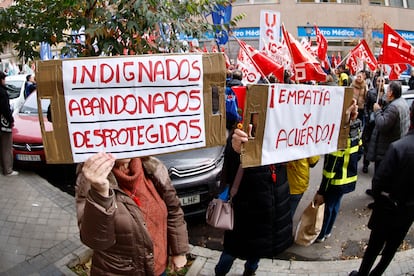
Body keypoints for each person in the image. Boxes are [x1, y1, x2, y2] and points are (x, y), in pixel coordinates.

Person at [75, 152, 189, 275]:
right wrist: (100, 193)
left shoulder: (153, 167)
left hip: (158, 268)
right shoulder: (90, 180)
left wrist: (179, 251)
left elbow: (174, 210)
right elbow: (96, 241)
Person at [214, 126, 293, 276]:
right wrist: (235, 151)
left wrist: (350, 122)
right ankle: (219, 273)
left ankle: (250, 271)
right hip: (245, 217)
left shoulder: (282, 133)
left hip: (269, 215)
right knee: (231, 252)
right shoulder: (241, 135)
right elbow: (229, 172)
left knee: (258, 251)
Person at [349, 100, 414, 276]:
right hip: (407, 213)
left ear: (411, 115)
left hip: (387, 208)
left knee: (374, 247)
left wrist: (380, 197)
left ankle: (362, 274)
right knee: (391, 249)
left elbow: (378, 181)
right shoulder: (400, 146)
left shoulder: (399, 147)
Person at [313, 99, 361, 243]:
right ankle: (328, 231)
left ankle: (321, 234)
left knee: (328, 208)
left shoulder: (338, 137)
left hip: (336, 180)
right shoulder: (356, 129)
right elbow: (359, 153)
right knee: (335, 206)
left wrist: (321, 190)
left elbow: (330, 167)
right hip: (348, 177)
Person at [365, 81, 410, 206]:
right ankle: (375, 191)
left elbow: (382, 125)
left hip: (386, 147)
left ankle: (377, 199)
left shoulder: (394, 107)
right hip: (391, 144)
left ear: (391, 93)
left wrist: (377, 111)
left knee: (381, 174)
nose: (385, 92)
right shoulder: (401, 102)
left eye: (387, 90)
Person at [361, 77, 385, 174]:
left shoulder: (387, 95)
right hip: (370, 122)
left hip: (380, 122)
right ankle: (365, 164)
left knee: (378, 146)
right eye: (378, 81)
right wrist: (367, 117)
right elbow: (366, 105)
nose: (380, 83)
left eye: (382, 81)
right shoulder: (371, 93)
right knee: (367, 143)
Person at [0, 71, 18, 176]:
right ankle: (8, 169)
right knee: (6, 147)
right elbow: (5, 109)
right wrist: (11, 120)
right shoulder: (2, 92)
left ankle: (3, 167)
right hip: (4, 124)